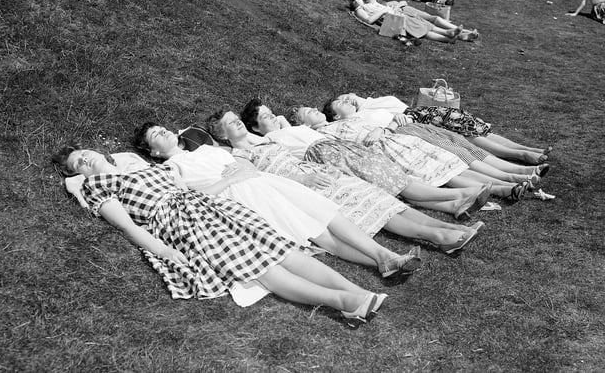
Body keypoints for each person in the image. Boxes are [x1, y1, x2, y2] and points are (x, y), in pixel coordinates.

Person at [52, 145, 387, 325]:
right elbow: (128, 226)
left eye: (84, 151)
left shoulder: (141, 167)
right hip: (180, 223)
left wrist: (227, 183)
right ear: (78, 174)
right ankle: (344, 302)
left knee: (286, 252)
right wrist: (165, 252)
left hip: (212, 208)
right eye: (78, 162)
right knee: (265, 269)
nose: (85, 157)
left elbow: (194, 190)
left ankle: (360, 293)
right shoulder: (99, 187)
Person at [133, 122, 422, 278]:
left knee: (327, 212)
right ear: (154, 152)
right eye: (156, 135)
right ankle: (385, 260)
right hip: (243, 196)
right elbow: (191, 199)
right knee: (316, 231)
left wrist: (246, 168)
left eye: (162, 127)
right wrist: (230, 180)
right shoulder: (170, 168)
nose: (164, 131)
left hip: (264, 181)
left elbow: (242, 158)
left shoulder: (201, 147)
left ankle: (385, 256)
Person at [208, 109, 484, 254]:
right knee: (374, 211)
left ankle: (448, 227)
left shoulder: (264, 139)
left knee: (383, 200)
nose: (237, 123)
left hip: (321, 171)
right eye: (230, 123)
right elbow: (259, 180)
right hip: (305, 184)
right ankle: (439, 237)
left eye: (236, 119)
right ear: (223, 135)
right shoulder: (237, 155)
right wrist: (302, 177)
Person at [241, 99, 528, 204]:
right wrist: (278, 121)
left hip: (394, 139)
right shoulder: (315, 133)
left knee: (451, 161)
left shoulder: (334, 122)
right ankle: (502, 187)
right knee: (442, 173)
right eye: (308, 112)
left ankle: (509, 180)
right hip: (381, 149)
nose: (314, 110)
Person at [324, 95, 547, 184]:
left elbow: (393, 110)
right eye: (340, 102)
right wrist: (389, 127)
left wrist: (357, 100)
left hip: (415, 122)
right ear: (335, 115)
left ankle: (521, 164)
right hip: (407, 133)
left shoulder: (365, 107)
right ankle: (517, 172)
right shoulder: (344, 125)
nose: (346, 100)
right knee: (461, 151)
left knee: (466, 143)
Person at [349, 0, 478, 43]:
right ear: (355, 5)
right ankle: (451, 35)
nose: (357, 0)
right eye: (354, 1)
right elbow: (369, 20)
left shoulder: (371, 3)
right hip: (392, 18)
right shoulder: (360, 10)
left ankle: (452, 34)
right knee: (423, 28)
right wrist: (383, 11)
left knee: (425, 25)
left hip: (396, 14)